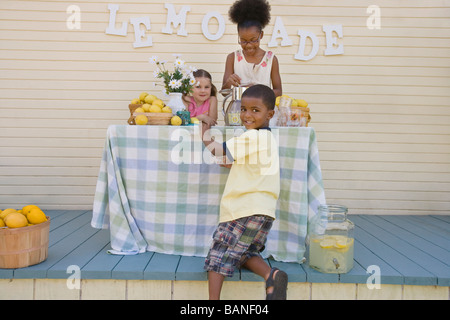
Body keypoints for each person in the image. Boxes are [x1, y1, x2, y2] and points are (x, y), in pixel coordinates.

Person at [201, 84, 288, 300]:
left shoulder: (253, 137)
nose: (247, 115)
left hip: (243, 209)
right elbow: (227, 161)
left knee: (218, 256)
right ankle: (271, 276)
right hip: (263, 211)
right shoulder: (265, 139)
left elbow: (218, 151)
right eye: (243, 109)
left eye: (255, 110)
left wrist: (203, 130)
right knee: (243, 253)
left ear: (270, 114)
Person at [222, 0, 282, 97]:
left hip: (263, 111)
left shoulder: (271, 59)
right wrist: (229, 82)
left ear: (261, 35)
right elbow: (224, 93)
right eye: (243, 40)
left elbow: (278, 91)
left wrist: (257, 91)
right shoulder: (232, 58)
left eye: (253, 40)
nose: (249, 45)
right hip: (238, 110)